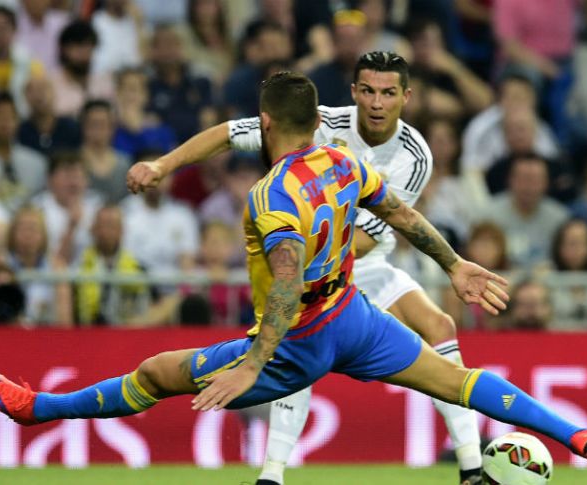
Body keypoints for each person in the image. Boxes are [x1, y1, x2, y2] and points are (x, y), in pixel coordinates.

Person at [0, 72, 587, 479]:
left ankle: (40, 408)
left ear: (267, 123)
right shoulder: (343, 161)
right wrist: (454, 263)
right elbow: (402, 214)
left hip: (298, 340)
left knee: (155, 372)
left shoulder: (272, 195)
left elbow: (285, 281)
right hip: (354, 319)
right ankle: (576, 435)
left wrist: (254, 363)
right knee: (457, 380)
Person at [129, 51, 491, 485]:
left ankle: (471, 466)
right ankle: (272, 474)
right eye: (369, 91)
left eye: (388, 93)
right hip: (314, 268)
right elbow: (229, 133)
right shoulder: (316, 122)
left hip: (365, 262)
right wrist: (162, 165)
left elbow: (374, 233)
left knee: (440, 326)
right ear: (354, 92)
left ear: (405, 97)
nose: (377, 103)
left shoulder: (415, 155)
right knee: (303, 346)